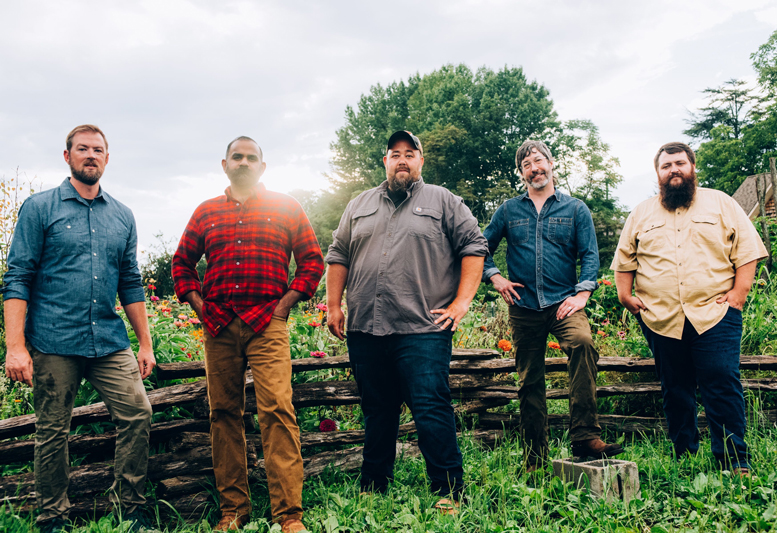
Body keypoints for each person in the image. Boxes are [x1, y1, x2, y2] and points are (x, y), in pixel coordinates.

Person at [2, 125, 156, 533]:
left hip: (107, 339)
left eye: (99, 150)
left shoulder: (122, 215)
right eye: (83, 149)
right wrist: (15, 347)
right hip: (53, 340)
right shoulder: (40, 208)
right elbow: (17, 277)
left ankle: (128, 509)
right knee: (52, 430)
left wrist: (145, 343)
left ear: (108, 158)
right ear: (67, 156)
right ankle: (53, 516)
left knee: (138, 413)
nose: (91, 155)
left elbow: (130, 280)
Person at [326, 130, 488, 513]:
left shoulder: (444, 201)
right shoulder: (359, 204)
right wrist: (333, 305)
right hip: (366, 325)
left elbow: (474, 247)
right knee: (377, 408)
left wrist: (462, 302)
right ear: (385, 161)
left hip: (423, 328)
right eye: (394, 153)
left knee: (430, 406)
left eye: (410, 153)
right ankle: (374, 484)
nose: (402, 159)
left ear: (420, 161)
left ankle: (448, 489)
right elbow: (338, 254)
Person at [172, 136, 323, 533]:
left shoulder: (286, 207)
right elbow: (181, 264)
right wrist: (199, 305)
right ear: (224, 164)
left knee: (277, 411)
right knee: (223, 414)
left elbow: (312, 261)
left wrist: (286, 304)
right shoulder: (205, 212)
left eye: (250, 157)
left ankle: (289, 517)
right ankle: (233, 511)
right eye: (236, 156)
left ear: (262, 166)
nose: (243, 162)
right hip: (218, 325)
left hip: (267, 323)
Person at [612, 142, 767, 474]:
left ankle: (734, 460)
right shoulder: (641, 213)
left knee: (721, 381)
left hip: (715, 313)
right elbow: (624, 260)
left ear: (692, 167)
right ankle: (685, 454)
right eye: (666, 166)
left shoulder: (721, 203)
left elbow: (749, 250)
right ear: (658, 174)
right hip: (660, 318)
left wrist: (739, 294)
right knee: (676, 388)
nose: (674, 170)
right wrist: (625, 297)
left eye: (680, 163)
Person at [482, 139, 622, 469]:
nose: (534, 168)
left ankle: (585, 436)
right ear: (521, 173)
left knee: (583, 343)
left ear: (552, 163)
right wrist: (495, 277)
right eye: (527, 165)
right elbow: (479, 246)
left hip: (564, 303)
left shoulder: (575, 209)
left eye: (538, 161)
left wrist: (582, 294)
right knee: (529, 379)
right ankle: (536, 458)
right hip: (524, 306)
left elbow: (590, 255)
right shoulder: (508, 210)